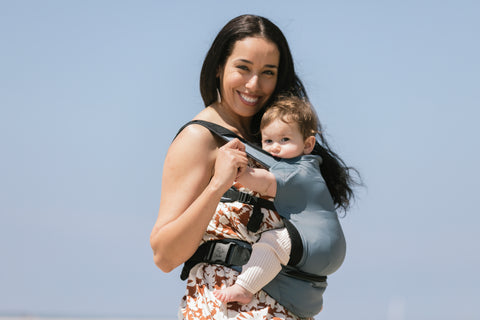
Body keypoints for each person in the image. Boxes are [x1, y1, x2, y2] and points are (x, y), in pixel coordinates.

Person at [150, 14, 356, 320]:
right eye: (243, 68)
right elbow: (164, 255)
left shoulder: (278, 141)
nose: (254, 84)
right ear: (220, 66)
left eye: (267, 72)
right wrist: (218, 184)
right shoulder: (200, 138)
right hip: (222, 309)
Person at [213, 94, 345, 307]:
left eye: (285, 140)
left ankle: (244, 288)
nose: (275, 147)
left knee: (271, 243)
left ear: (308, 144)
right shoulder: (310, 168)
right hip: (329, 249)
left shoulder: (297, 171)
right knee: (279, 250)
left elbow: (264, 182)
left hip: (316, 243)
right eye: (268, 141)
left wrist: (236, 169)